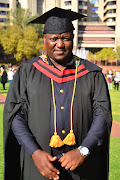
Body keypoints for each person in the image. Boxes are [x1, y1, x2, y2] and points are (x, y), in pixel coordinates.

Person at [3, 7, 112, 180]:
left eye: (66, 39)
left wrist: (84, 150)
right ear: (44, 40)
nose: (59, 44)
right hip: (38, 167)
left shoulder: (92, 73)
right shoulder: (27, 72)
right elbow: (16, 115)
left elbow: (102, 115)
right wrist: (34, 152)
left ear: (73, 40)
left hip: (82, 168)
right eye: (54, 38)